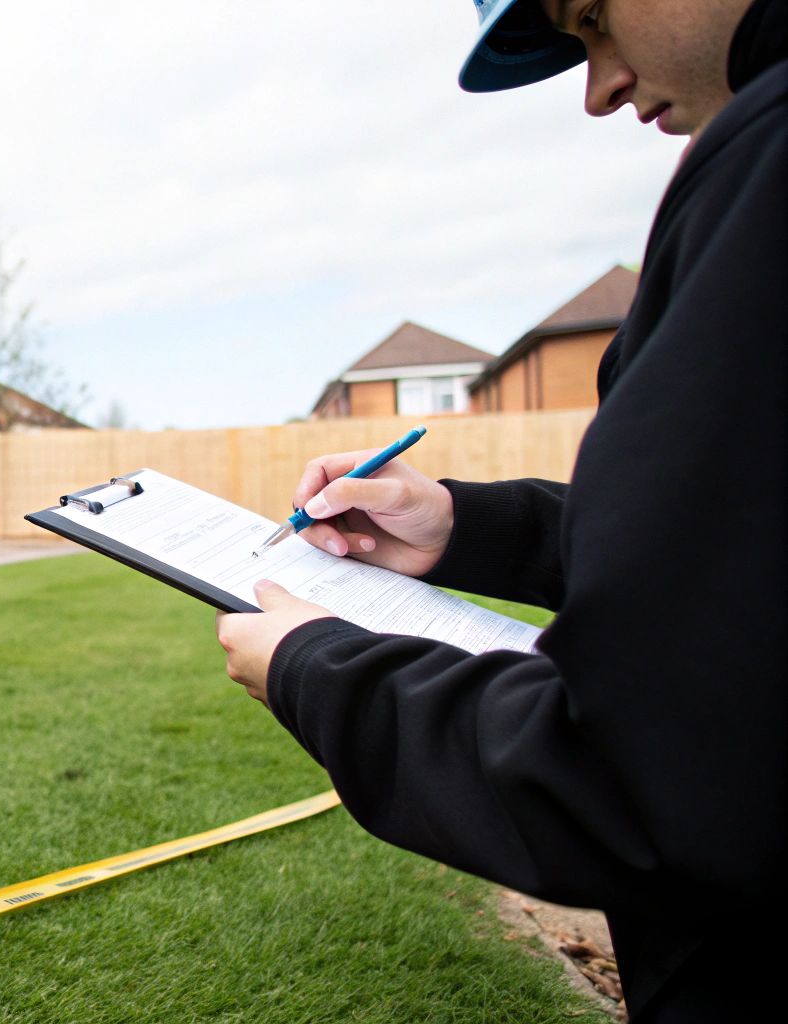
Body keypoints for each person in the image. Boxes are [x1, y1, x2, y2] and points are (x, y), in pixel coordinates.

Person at [213, 0, 786, 1019]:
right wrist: (466, 526)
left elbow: (631, 780)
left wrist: (316, 666)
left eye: (588, 18)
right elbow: (736, 556)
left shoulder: (766, 157)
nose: (598, 86)